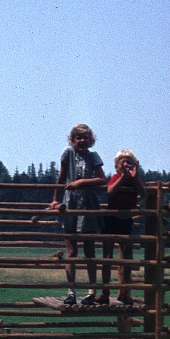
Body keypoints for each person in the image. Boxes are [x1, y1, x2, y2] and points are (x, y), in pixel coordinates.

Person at [49, 124, 106, 305]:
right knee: (72, 250)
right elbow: (62, 175)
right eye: (78, 137)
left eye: (86, 138)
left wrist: (81, 182)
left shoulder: (93, 156)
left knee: (89, 249)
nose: (82, 141)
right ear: (73, 140)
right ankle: (71, 292)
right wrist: (55, 199)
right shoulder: (68, 153)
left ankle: (91, 292)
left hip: (88, 203)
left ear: (91, 140)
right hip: (70, 202)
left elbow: (101, 179)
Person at [95, 149, 146, 306]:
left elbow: (143, 194)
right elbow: (110, 191)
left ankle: (124, 292)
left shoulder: (135, 180)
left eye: (129, 162)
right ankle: (105, 291)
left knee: (126, 257)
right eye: (122, 162)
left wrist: (134, 177)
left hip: (125, 220)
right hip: (111, 219)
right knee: (107, 257)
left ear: (134, 166)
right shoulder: (116, 177)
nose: (126, 164)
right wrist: (123, 177)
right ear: (117, 167)